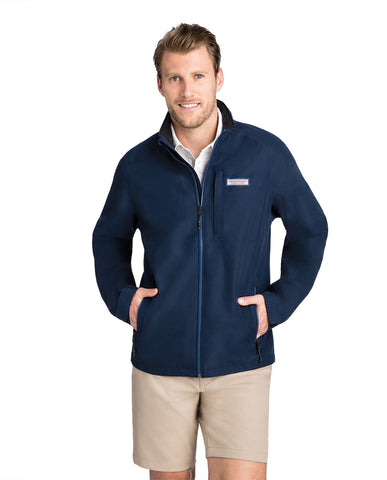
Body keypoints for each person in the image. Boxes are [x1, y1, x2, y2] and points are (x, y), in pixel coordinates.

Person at [92, 23, 328, 480]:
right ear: (160, 84)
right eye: (175, 78)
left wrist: (277, 304)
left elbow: (311, 229)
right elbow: (108, 239)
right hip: (160, 361)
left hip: (241, 357)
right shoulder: (137, 166)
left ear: (219, 78)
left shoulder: (263, 154)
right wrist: (125, 300)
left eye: (198, 76)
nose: (188, 91)